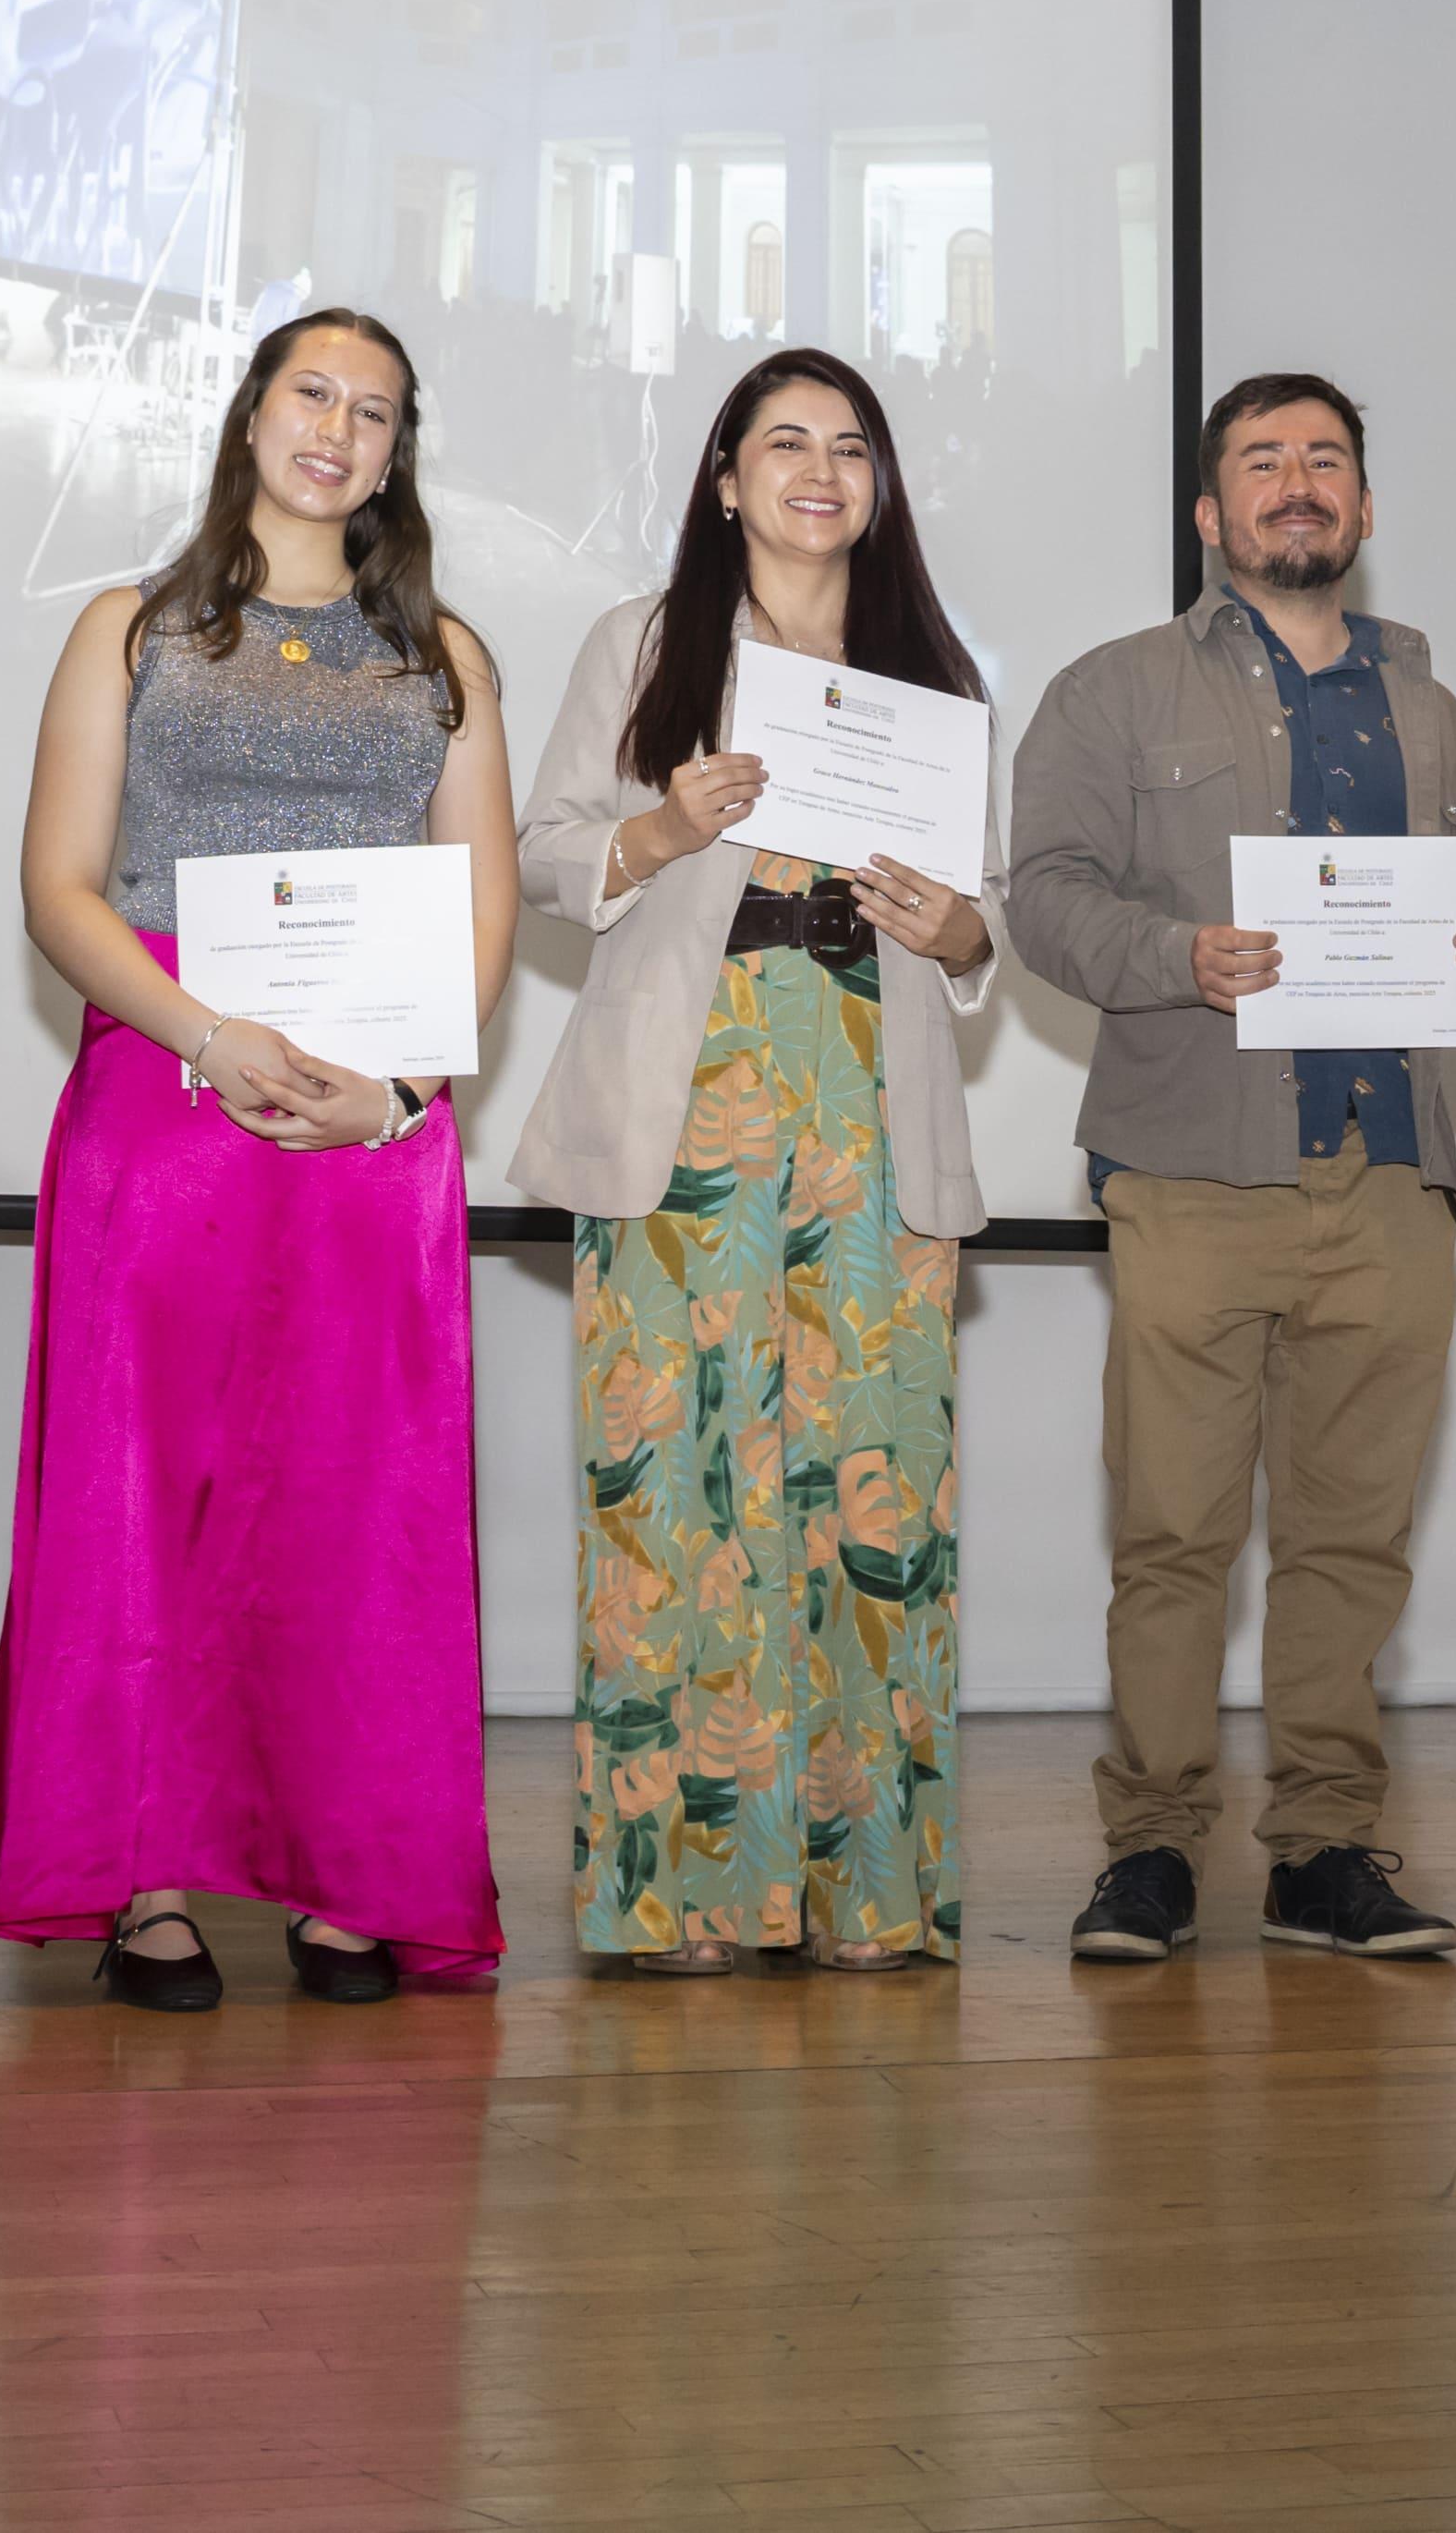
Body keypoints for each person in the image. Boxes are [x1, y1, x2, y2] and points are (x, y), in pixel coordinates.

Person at [0, 308, 517, 2008]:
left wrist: (402, 1092)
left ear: (395, 449)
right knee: (146, 1496)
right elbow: (60, 884)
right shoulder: (126, 627)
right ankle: (140, 1876)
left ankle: (362, 1875)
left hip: (368, 1118)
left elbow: (481, 895)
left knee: (362, 1503)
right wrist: (210, 1036)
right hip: (168, 1096)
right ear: (251, 415)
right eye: (310, 395)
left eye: (374, 411)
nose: (336, 430)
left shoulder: (446, 656)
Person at [1006, 375, 1456, 1966]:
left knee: (1351, 1538)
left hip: (1386, 1174)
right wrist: (1181, 953)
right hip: (1193, 1171)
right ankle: (1149, 1850)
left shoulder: (1430, 714)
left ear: (1360, 508)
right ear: (1211, 515)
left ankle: (1325, 1852)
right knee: (1172, 1531)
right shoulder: (1112, 690)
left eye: (1326, 462)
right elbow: (1041, 899)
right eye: (1260, 463)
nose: (1297, 485)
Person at [512, 346, 999, 1974]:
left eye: (848, 445)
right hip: (687, 1097)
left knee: (872, 1493)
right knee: (676, 1491)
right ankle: (681, 1894)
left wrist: (964, 926)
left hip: (872, 1091)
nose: (817, 467)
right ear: (722, 477)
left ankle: (869, 1893)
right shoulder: (645, 646)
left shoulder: (932, 673)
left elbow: (979, 913)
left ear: (877, 486)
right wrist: (663, 827)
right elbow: (546, 852)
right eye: (781, 441)